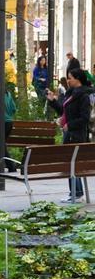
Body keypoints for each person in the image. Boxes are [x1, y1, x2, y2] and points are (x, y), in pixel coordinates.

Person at [47, 68, 93, 202]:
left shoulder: (83, 95)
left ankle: (77, 193)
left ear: (78, 79)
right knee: (70, 163)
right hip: (68, 132)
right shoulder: (71, 93)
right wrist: (52, 101)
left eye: (70, 78)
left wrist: (70, 125)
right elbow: (63, 111)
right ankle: (75, 192)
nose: (68, 80)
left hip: (76, 134)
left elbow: (85, 118)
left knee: (72, 163)